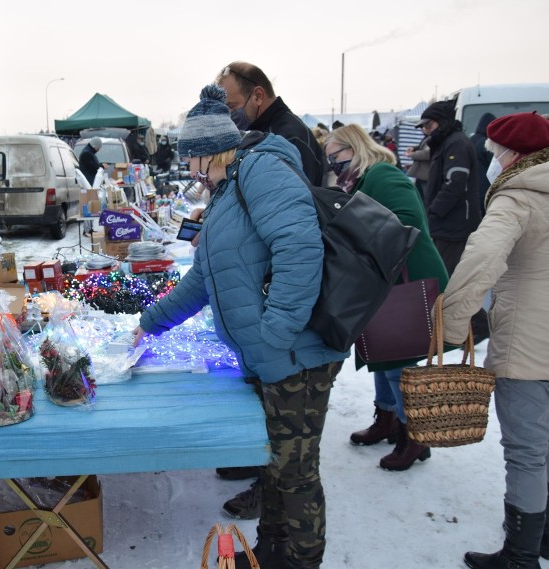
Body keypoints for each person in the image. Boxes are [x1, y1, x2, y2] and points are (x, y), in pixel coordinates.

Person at [133, 85, 347, 569]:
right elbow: (205, 277)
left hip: (299, 354)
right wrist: (150, 323)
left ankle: (301, 561)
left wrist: (275, 333)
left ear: (213, 153)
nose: (189, 172)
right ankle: (272, 552)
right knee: (273, 465)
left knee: (295, 474)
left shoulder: (263, 171)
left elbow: (300, 251)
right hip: (271, 355)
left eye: (192, 161)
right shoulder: (229, 190)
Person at [213, 61, 328, 506]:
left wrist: (275, 332)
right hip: (272, 309)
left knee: (292, 461)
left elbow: (298, 246)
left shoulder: (281, 141)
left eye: (234, 105)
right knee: (275, 429)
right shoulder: (258, 142)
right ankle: (263, 471)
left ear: (258, 96)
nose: (231, 114)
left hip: (289, 321)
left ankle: (270, 491)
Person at [440, 112, 549, 569]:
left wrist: (447, 324)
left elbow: (480, 259)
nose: (492, 162)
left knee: (527, 452)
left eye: (495, 154)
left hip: (528, 344)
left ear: (515, 156)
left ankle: (521, 557)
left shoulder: (518, 197)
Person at [324, 124, 449, 471]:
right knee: (382, 351)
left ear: (356, 148)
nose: (333, 164)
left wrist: (354, 233)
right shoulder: (362, 179)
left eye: (337, 156)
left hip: (405, 279)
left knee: (398, 358)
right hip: (383, 278)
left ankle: (414, 433)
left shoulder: (383, 174)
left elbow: (407, 221)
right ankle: (388, 417)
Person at [418, 100, 490, 343]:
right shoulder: (446, 142)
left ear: (442, 121)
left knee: (449, 279)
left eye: (428, 124)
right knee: (447, 277)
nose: (425, 130)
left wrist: (433, 212)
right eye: (422, 126)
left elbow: (455, 183)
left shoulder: (456, 143)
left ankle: (477, 325)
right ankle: (470, 326)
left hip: (456, 225)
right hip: (447, 224)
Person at [216, 61, 326, 186]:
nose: (228, 114)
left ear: (258, 96)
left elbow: (295, 199)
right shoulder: (256, 134)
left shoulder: (290, 137)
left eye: (232, 106)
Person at [470, 112, 497, 214]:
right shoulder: (486, 143)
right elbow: (494, 164)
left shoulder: (472, 139)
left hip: (471, 184)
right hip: (484, 184)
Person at [406, 134, 431, 199]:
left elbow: (427, 153)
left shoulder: (433, 137)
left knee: (425, 198)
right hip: (422, 174)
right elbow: (422, 147)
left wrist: (412, 154)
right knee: (419, 197)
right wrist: (414, 148)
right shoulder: (428, 137)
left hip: (426, 175)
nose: (423, 128)